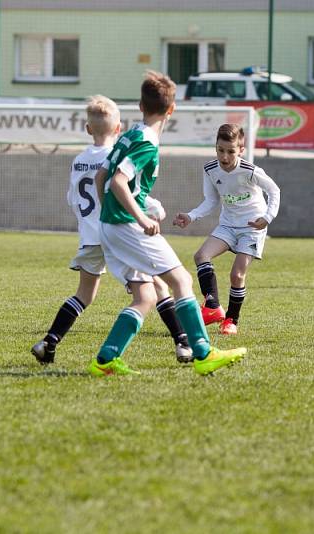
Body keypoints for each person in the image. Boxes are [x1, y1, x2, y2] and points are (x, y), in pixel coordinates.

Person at [89, 71, 247, 377]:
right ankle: (203, 352)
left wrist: (113, 212)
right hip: (126, 226)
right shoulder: (146, 142)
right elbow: (119, 183)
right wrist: (140, 217)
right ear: (171, 110)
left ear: (140, 105)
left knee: (146, 297)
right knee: (182, 282)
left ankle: (106, 359)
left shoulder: (128, 136)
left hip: (110, 225)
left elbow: (101, 178)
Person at [31, 94, 193, 366]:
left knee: (84, 295)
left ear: (87, 128)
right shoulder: (115, 155)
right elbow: (125, 189)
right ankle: (183, 343)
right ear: (119, 129)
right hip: (118, 230)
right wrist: (153, 210)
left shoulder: (80, 160)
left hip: (90, 236)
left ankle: (49, 342)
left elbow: (72, 198)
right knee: (157, 287)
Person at [173, 124, 280, 335]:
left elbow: (274, 190)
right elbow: (211, 201)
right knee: (201, 256)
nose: (225, 156)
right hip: (228, 225)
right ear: (216, 147)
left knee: (237, 275)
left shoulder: (250, 171)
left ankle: (231, 320)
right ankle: (212, 306)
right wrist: (191, 216)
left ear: (240, 150)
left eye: (230, 151)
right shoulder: (210, 169)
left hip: (251, 227)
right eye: (220, 150)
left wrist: (267, 218)